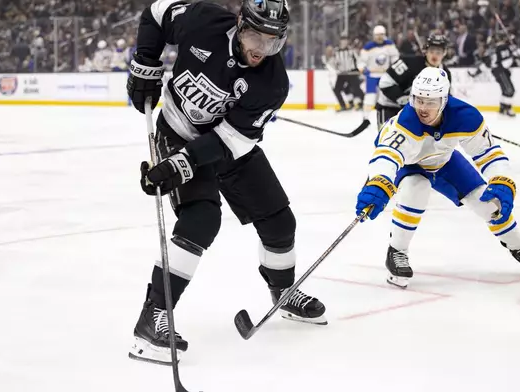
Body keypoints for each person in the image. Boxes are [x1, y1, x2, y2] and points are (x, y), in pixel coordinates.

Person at [126, 0, 327, 365]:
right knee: (201, 219)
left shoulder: (272, 82)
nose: (259, 51)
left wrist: (183, 164)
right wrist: (145, 62)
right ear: (239, 23)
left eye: (271, 43)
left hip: (224, 144)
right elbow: (156, 12)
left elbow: (229, 140)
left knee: (280, 222)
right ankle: (153, 316)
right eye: (254, 37)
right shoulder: (202, 20)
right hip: (177, 128)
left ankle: (282, 291)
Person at [355, 67, 520, 289]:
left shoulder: (466, 116)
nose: (423, 108)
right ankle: (397, 251)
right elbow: (387, 156)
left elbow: (489, 153)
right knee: (416, 187)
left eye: (430, 102)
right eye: (419, 100)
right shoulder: (405, 122)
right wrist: (379, 181)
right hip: (410, 165)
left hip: (444, 161)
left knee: (488, 203)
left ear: (445, 100)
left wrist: (501, 179)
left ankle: (519, 247)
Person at [376, 33, 451, 128]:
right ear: (426, 51)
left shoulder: (445, 73)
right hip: (389, 107)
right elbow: (385, 82)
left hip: (414, 111)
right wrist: (402, 98)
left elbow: (445, 97)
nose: (434, 55)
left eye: (439, 52)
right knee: (387, 140)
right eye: (432, 51)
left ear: (444, 53)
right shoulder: (409, 63)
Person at [469, 32, 520, 117]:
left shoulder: (498, 49)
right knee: (510, 90)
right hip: (501, 71)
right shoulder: (501, 48)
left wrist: (476, 73)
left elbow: (487, 64)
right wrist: (514, 55)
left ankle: (502, 108)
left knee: (506, 90)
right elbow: (505, 62)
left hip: (499, 72)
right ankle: (507, 108)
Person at [360, 25, 399, 120]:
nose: (379, 37)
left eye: (381, 35)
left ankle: (391, 116)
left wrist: (395, 66)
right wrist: (362, 68)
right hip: (372, 75)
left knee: (388, 96)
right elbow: (361, 61)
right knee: (370, 96)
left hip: (386, 75)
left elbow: (395, 57)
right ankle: (365, 117)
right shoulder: (368, 47)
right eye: (377, 35)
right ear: (374, 35)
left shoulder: (389, 44)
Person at [329, 33, 364, 112]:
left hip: (351, 72)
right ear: (340, 41)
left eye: (346, 40)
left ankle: (362, 103)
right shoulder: (336, 51)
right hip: (342, 73)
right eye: (343, 40)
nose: (344, 42)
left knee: (356, 89)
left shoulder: (351, 50)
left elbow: (358, 60)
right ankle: (343, 105)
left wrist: (359, 69)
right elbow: (333, 62)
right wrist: (335, 69)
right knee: (337, 89)